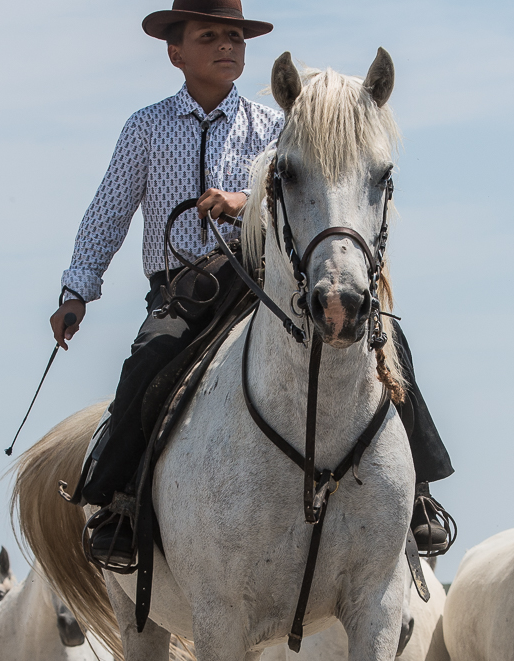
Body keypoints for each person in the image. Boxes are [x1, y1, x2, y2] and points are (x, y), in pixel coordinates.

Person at [50, 0, 455, 571]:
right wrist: (77, 290)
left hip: (265, 279)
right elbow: (107, 214)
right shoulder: (146, 128)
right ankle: (117, 501)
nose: (226, 46)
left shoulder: (276, 127)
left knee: (387, 340)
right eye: (210, 35)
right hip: (185, 290)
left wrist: (243, 201)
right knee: (147, 358)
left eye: (235, 37)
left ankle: (416, 491)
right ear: (175, 51)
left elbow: (304, 198)